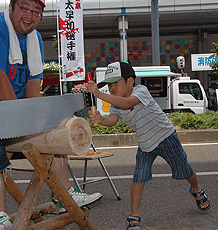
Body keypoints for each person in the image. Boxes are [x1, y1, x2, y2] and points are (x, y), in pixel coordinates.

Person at [0, 0, 101, 229]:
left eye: (37, 11)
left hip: (12, 107)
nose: (30, 16)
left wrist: (37, 115)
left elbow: (33, 81)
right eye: (24, 8)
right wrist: (21, 115)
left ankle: (66, 196)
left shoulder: (35, 39)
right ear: (11, 6)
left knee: (54, 129)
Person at [86, 61, 211, 230]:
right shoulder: (116, 102)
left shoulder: (140, 91)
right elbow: (113, 120)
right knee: (139, 177)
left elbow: (128, 103)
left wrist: (99, 94)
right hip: (145, 143)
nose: (112, 88)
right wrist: (101, 120)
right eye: (109, 85)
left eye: (116, 83)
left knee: (185, 170)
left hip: (166, 137)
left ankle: (196, 189)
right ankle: (134, 215)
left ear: (130, 81)